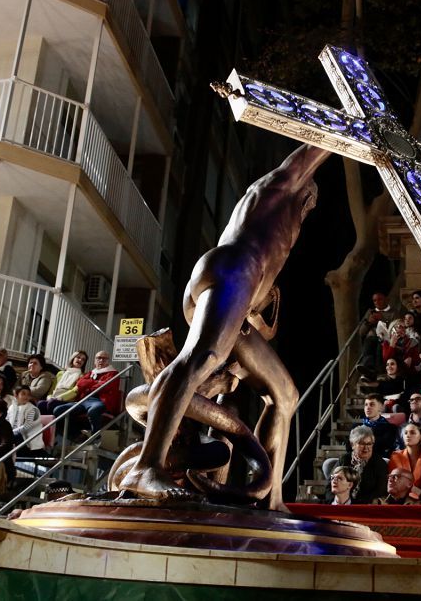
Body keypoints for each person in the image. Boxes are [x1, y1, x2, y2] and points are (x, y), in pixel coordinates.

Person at [121, 144, 330, 509]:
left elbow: (259, 327)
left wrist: (253, 331)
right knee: (201, 356)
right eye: (310, 198)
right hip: (234, 267)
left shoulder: (287, 229)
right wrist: (358, 129)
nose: (310, 206)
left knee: (285, 394)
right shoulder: (278, 187)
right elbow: (317, 146)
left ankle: (270, 497)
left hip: (242, 297)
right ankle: (147, 466)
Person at [53, 351, 120, 438]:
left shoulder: (113, 373)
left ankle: (96, 436)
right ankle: (78, 434)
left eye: (104, 358)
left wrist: (89, 385)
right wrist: (95, 382)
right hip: (84, 400)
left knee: (93, 410)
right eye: (98, 358)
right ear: (95, 361)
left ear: (108, 361)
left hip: (100, 401)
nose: (101, 360)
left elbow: (104, 386)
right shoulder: (90, 373)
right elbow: (80, 384)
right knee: (58, 410)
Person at [333, 425, 387, 504]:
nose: (366, 448)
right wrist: (333, 502)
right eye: (362, 444)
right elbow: (329, 486)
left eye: (369, 444)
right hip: (342, 504)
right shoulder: (344, 460)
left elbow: (380, 490)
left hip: (365, 505)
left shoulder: (379, 463)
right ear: (352, 445)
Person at [388, 421, 421, 502]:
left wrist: (414, 495)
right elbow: (392, 483)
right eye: (405, 433)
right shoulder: (395, 456)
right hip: (397, 499)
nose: (408, 435)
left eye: (412, 433)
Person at [38, 350, 87, 415]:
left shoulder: (83, 376)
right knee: (41, 403)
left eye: (83, 359)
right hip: (54, 397)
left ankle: (52, 423)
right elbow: (52, 389)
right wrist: (49, 397)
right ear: (73, 358)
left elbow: (74, 392)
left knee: (52, 403)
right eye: (78, 357)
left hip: (67, 400)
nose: (80, 360)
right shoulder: (60, 373)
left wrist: (59, 398)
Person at [351, 394, 397, 459]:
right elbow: (349, 446)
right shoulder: (356, 426)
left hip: (379, 460)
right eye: (366, 405)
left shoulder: (390, 428)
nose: (368, 407)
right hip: (358, 458)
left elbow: (383, 447)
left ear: (381, 407)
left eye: (372, 404)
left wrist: (360, 442)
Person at [358, 291, 394, 374]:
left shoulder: (394, 312)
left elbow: (396, 326)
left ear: (386, 300)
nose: (377, 302)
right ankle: (368, 368)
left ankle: (378, 370)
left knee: (379, 344)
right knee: (369, 341)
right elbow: (361, 332)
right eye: (374, 300)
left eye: (380, 299)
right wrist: (369, 322)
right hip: (371, 338)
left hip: (386, 339)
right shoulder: (370, 312)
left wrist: (383, 319)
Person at [6, 386, 44, 453]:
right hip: (14, 436)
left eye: (28, 394)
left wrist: (11, 432)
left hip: (28, 441)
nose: (26, 396)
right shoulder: (11, 407)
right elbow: (6, 422)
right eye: (23, 394)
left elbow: (27, 426)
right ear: (16, 395)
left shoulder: (33, 409)